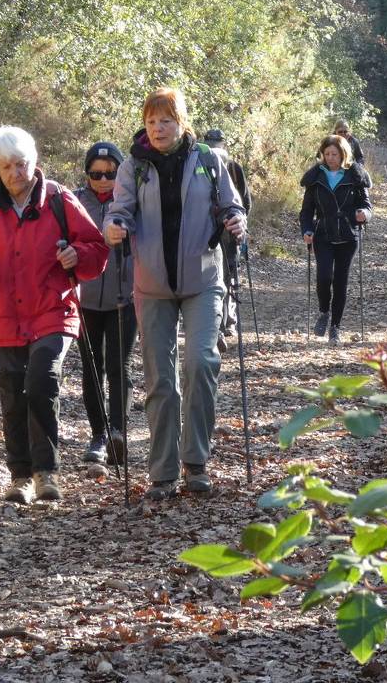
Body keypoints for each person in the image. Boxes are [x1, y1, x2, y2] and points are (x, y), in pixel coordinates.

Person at [0, 126, 109, 504]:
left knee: (40, 383)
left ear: (34, 163)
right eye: (7, 167)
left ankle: (46, 472)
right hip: (1, 318)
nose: (17, 173)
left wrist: (76, 257)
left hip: (52, 311)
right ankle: (19, 476)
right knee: (11, 395)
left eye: (22, 164)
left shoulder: (59, 201)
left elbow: (95, 248)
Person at [104, 88, 247, 500]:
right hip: (151, 285)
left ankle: (196, 461)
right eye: (151, 121)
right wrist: (113, 225)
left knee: (201, 363)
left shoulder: (208, 160)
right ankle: (163, 471)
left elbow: (231, 206)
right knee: (160, 378)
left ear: (181, 122)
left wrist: (236, 221)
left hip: (202, 278)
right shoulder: (133, 166)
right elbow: (120, 208)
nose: (158, 128)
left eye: (166, 120)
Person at [75, 141, 136, 466]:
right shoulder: (74, 201)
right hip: (84, 299)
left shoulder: (130, 201)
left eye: (110, 173)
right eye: (95, 174)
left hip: (125, 298)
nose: (102, 180)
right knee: (91, 368)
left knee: (118, 365)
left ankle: (117, 432)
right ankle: (98, 435)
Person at [300, 134, 372, 345]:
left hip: (349, 236)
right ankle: (324, 312)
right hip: (322, 235)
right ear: (322, 155)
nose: (330, 158)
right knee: (324, 277)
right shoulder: (315, 178)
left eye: (334, 154)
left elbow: (367, 206)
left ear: (343, 154)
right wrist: (306, 229)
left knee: (340, 282)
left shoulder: (355, 176)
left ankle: (335, 328)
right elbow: (306, 212)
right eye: (327, 154)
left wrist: (364, 215)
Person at [201, 128, 252, 350]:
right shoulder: (198, 164)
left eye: (217, 142)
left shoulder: (233, 168)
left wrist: (239, 223)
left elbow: (244, 202)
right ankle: (218, 328)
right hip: (205, 233)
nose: (214, 146)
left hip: (229, 232)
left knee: (226, 275)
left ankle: (222, 324)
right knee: (213, 277)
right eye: (211, 142)